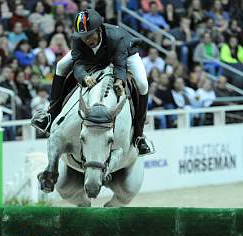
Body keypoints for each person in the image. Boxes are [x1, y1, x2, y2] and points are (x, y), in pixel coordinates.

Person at [30, 9, 152, 155]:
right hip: (92, 57)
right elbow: (78, 63)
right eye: (83, 37)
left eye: (89, 36)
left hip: (125, 54)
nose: (87, 40)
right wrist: (84, 77)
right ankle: (50, 116)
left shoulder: (116, 37)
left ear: (99, 30)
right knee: (61, 65)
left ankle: (139, 134)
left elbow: (120, 64)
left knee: (143, 84)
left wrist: (119, 81)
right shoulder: (77, 39)